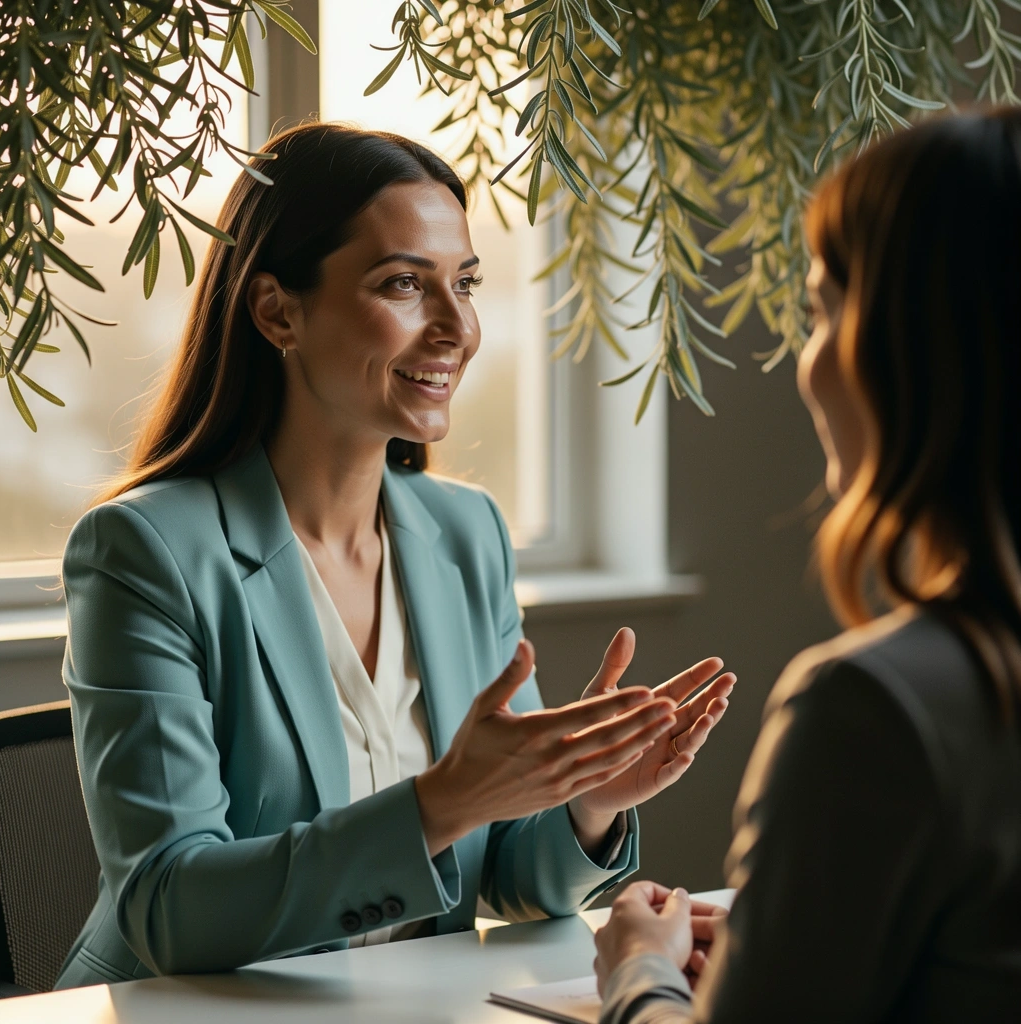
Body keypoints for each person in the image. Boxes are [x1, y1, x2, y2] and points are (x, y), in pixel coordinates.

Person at [55, 123, 736, 989]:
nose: (457, 327)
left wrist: (588, 797)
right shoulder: (145, 552)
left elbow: (505, 876)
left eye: (466, 283)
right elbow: (168, 909)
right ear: (277, 310)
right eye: (406, 284)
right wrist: (442, 802)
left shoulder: (466, 534)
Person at [593, 108, 1021, 1023]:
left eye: (824, 310)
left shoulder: (874, 707)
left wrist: (640, 969)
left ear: (911, 345)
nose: (806, 362)